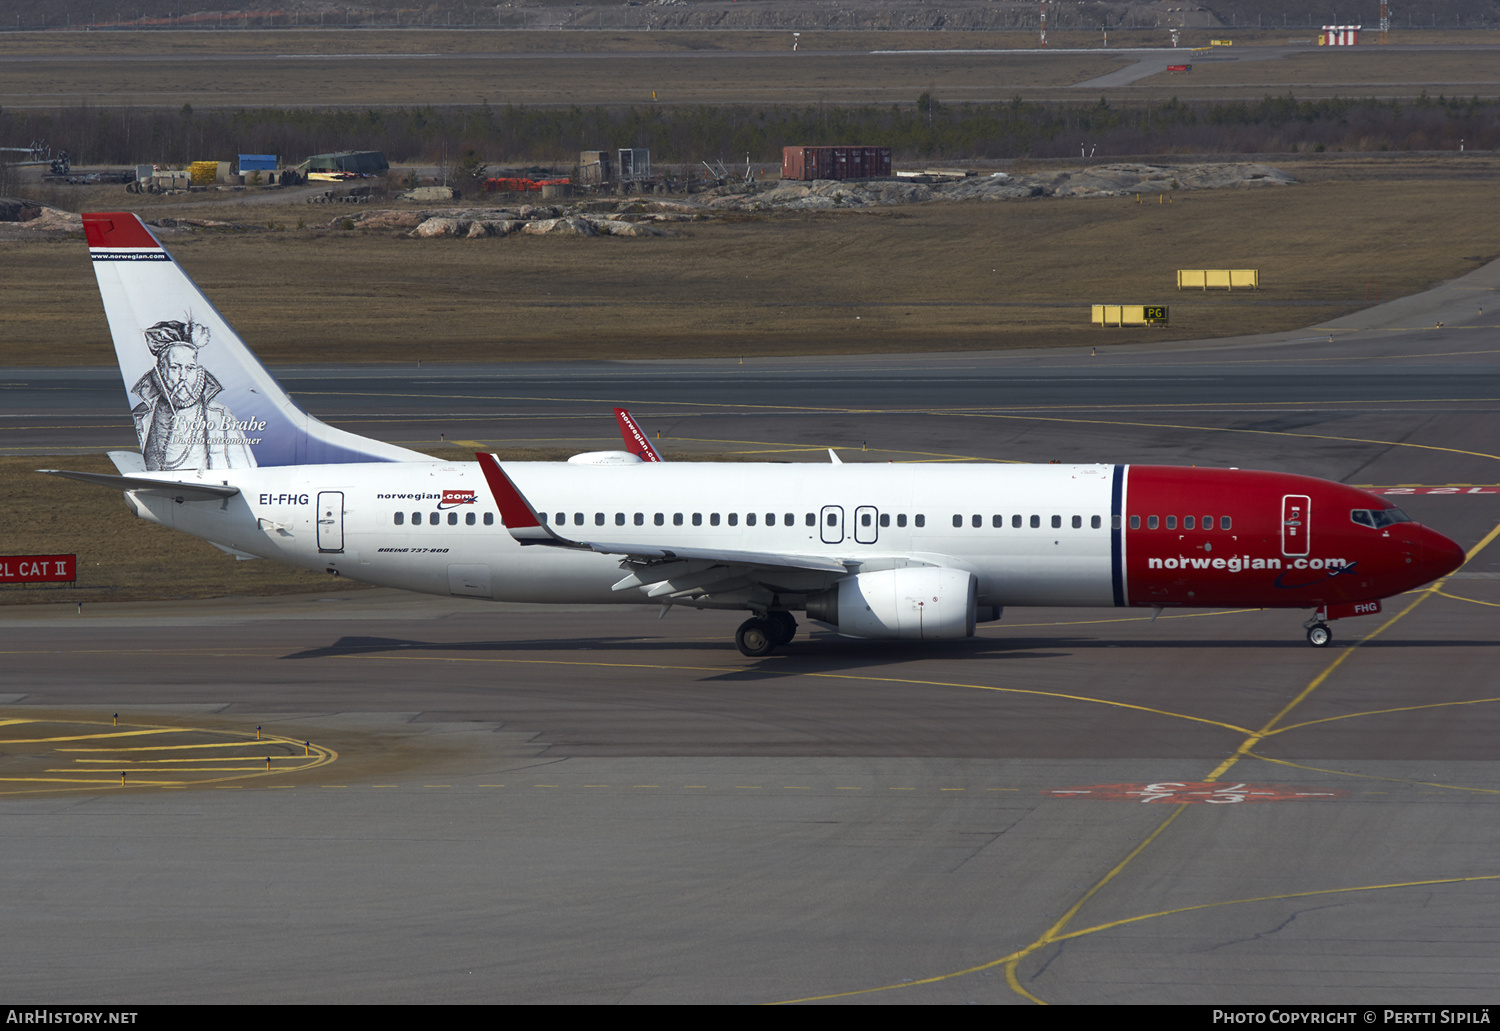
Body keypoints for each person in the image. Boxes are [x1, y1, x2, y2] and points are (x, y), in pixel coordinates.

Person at [130, 318, 257, 470]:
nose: (183, 376)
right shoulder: (141, 416)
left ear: (198, 371)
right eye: (175, 368)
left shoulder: (219, 414)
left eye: (190, 368)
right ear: (161, 371)